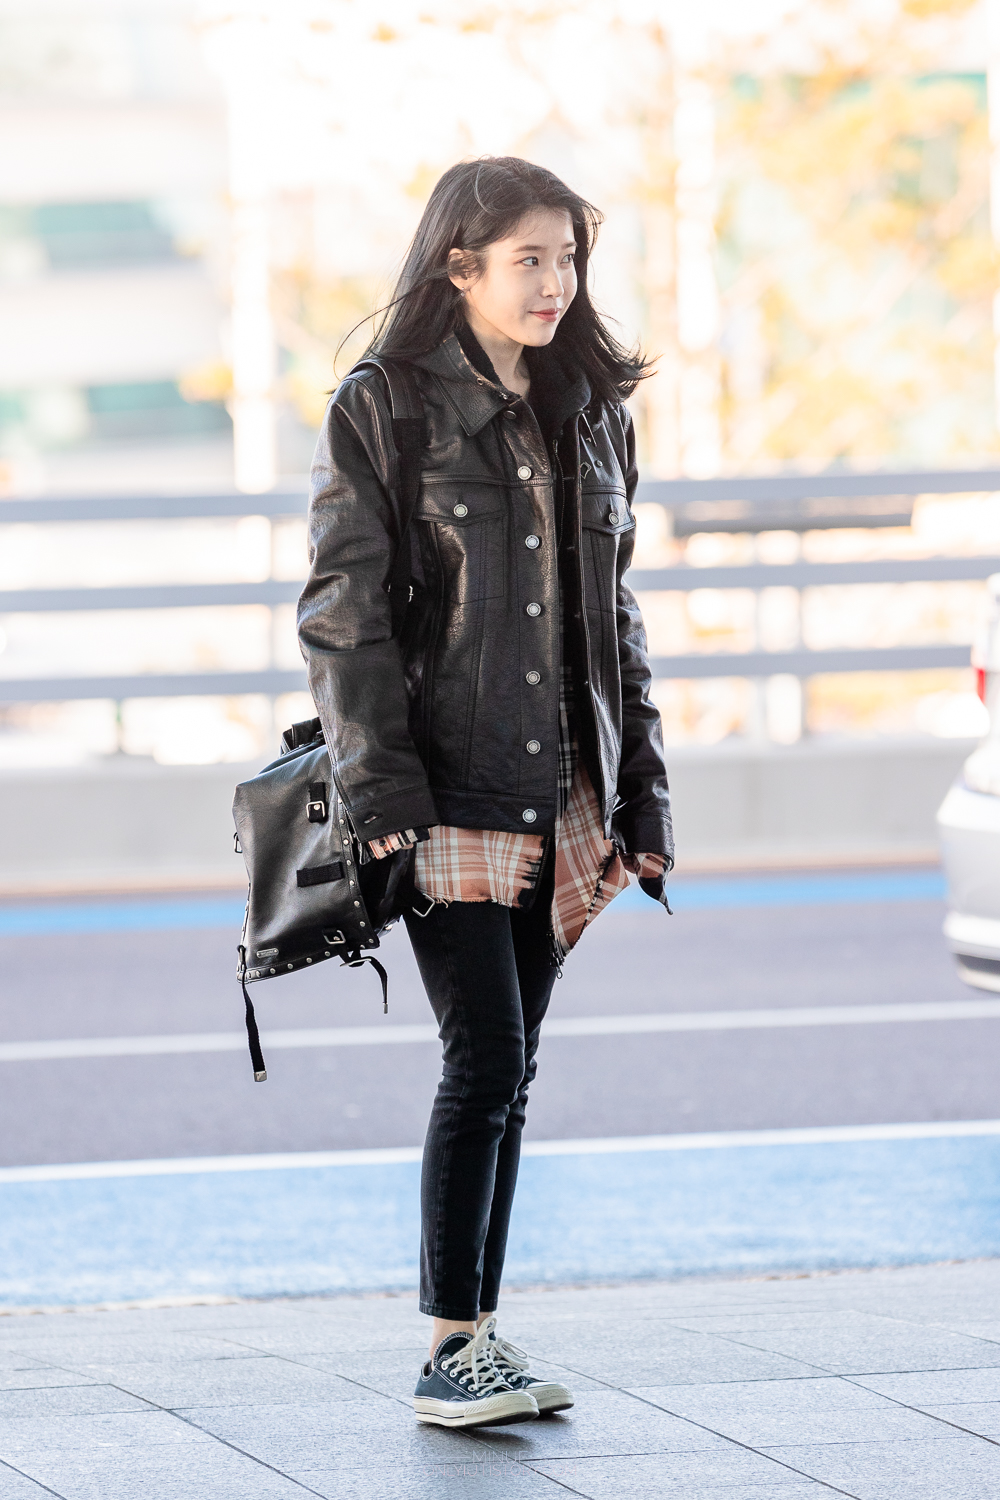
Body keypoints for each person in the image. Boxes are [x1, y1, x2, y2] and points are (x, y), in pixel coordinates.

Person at [297, 156, 674, 1431]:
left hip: (564, 784)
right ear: (459, 265)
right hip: (443, 786)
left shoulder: (591, 409)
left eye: (567, 258)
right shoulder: (384, 407)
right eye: (528, 259)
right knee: (487, 1056)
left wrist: (643, 798)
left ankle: (480, 1333)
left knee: (514, 1071)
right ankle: (450, 1346)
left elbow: (616, 622)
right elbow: (342, 616)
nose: (555, 282)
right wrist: (380, 789)